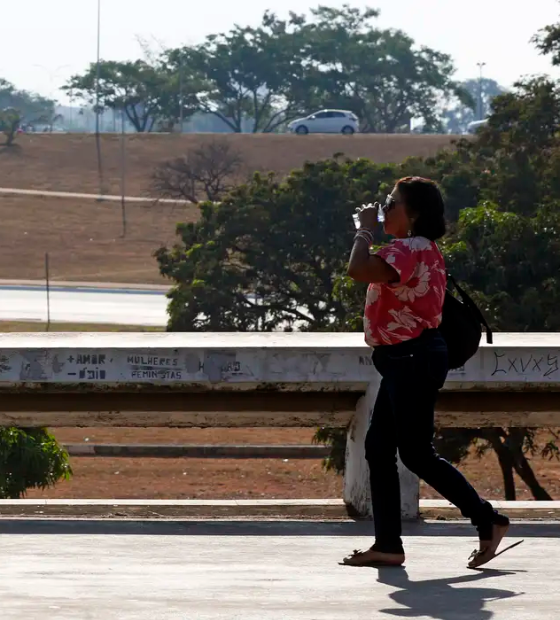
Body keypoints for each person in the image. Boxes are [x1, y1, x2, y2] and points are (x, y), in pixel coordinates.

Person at [342, 176, 509, 570]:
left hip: (411, 359)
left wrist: (364, 229)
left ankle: (487, 518)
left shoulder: (409, 249)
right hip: (407, 359)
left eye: (392, 203)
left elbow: (357, 269)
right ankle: (387, 545)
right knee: (380, 449)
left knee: (415, 453)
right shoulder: (421, 248)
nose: (385, 208)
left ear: (412, 214)